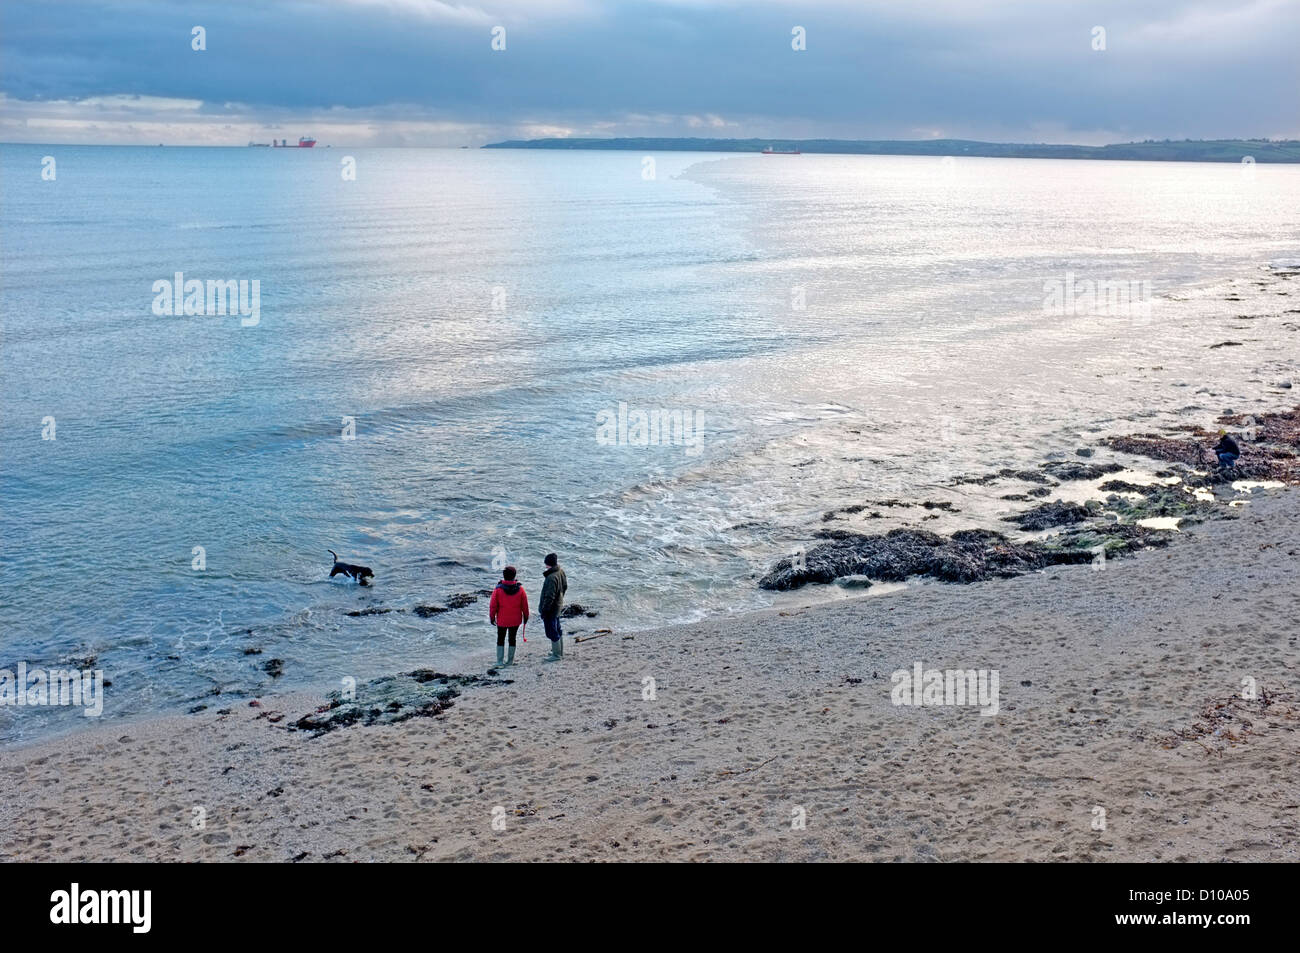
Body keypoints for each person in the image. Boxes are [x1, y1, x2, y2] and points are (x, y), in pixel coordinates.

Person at [488, 565, 528, 666]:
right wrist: (526, 617)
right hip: (515, 620)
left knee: (500, 639)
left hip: (502, 620)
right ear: (514, 576)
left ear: (504, 576)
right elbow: (525, 606)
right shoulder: (520, 589)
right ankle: (510, 661)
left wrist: (492, 617)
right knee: (512, 639)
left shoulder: (498, 590)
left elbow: (493, 606)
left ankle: (499, 661)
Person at [538, 552, 568, 661]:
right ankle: (559, 651)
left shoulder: (551, 577)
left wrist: (544, 611)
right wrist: (560, 599)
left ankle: (556, 655)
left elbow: (549, 597)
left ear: (548, 563)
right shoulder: (561, 571)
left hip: (551, 609)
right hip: (558, 606)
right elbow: (565, 587)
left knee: (551, 631)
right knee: (557, 629)